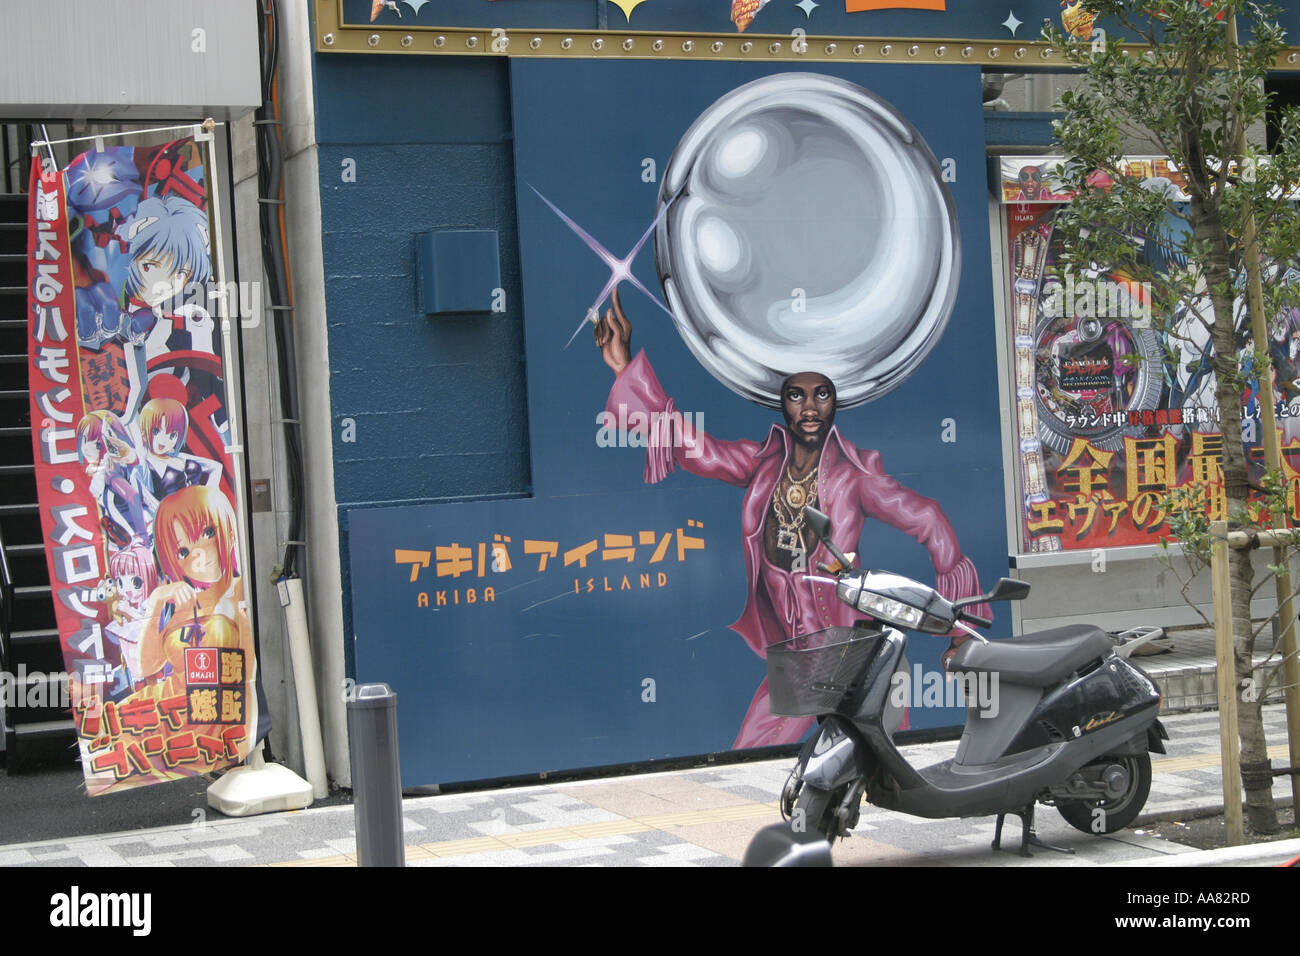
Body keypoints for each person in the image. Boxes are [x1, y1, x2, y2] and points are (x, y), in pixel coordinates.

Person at [594, 289, 990, 748]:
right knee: (796, 753)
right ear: (782, 403)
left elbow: (931, 521)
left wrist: (963, 627)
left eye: (821, 394)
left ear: (835, 402)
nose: (809, 407)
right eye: (797, 395)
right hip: (799, 652)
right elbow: (695, 448)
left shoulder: (853, 475)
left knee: (847, 757)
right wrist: (626, 370)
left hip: (848, 647)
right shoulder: (764, 464)